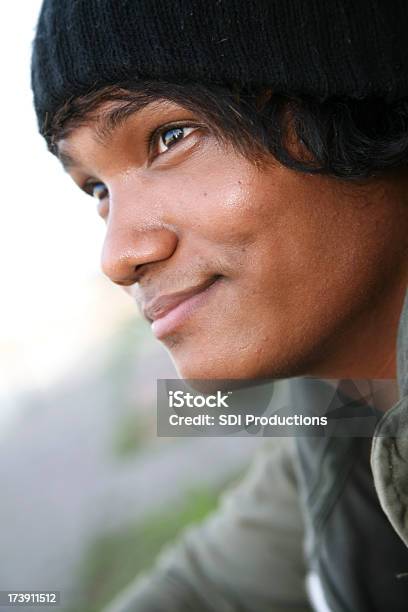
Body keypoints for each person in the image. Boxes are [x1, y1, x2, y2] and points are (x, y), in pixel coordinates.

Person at [31, 1, 408, 610]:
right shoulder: (344, 411)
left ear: (354, 91)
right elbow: (209, 587)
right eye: (98, 189)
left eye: (169, 137)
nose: (118, 255)